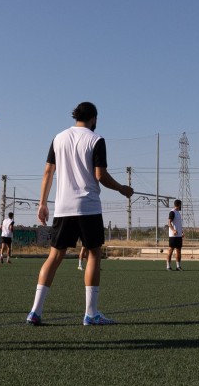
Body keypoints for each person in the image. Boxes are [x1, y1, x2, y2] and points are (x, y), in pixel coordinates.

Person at [26, 102, 133, 326]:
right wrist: (122, 188)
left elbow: (48, 171)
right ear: (93, 118)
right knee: (94, 254)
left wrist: (42, 203)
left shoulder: (58, 138)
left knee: (54, 257)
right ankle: (91, 314)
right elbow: (99, 175)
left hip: (63, 208)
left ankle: (35, 311)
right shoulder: (96, 140)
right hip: (88, 207)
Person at [166, 199, 184, 271]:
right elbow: (169, 223)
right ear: (179, 205)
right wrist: (173, 230)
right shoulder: (172, 212)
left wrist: (181, 232)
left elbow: (178, 225)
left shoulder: (178, 213)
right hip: (173, 236)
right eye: (181, 205)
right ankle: (168, 266)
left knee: (178, 250)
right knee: (170, 250)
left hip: (179, 236)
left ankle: (178, 266)